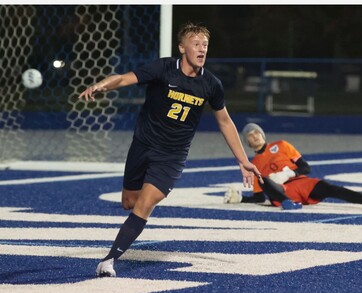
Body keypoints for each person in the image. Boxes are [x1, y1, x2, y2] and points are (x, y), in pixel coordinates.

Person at [79, 22, 262, 277]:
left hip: (172, 157)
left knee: (145, 204)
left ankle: (109, 260)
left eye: (205, 45)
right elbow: (125, 78)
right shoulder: (163, 68)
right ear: (182, 48)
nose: (202, 49)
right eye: (196, 44)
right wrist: (103, 85)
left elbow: (224, 121)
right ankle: (123, 237)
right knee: (129, 202)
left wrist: (242, 160)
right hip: (143, 146)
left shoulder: (211, 84)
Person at [224, 122, 362, 211]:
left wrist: (288, 174)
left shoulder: (282, 144)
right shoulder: (253, 164)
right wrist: (242, 198)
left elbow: (305, 167)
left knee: (333, 188)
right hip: (282, 191)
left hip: (301, 183)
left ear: (262, 134)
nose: (254, 137)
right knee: (263, 179)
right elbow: (260, 196)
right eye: (250, 136)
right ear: (247, 142)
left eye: (256, 133)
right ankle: (287, 203)